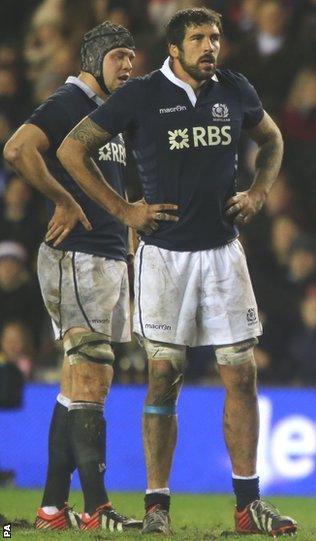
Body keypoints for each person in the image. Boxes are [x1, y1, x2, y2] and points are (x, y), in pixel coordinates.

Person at [56, 8, 297, 537]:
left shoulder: (234, 88)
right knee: (164, 377)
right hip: (164, 259)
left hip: (224, 253)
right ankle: (158, 505)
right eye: (198, 39)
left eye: (215, 37)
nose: (210, 46)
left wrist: (258, 192)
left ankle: (248, 505)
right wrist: (124, 211)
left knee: (242, 372)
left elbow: (274, 140)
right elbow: (73, 148)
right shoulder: (141, 94)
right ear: (174, 48)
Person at [4, 20, 177, 532]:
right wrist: (61, 198)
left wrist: (126, 248)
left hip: (103, 258)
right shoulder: (69, 102)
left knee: (76, 384)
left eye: (132, 57)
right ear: (95, 58)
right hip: (74, 255)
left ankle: (53, 509)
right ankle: (98, 508)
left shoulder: (109, 116)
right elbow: (17, 149)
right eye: (120, 56)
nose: (129, 65)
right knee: (93, 374)